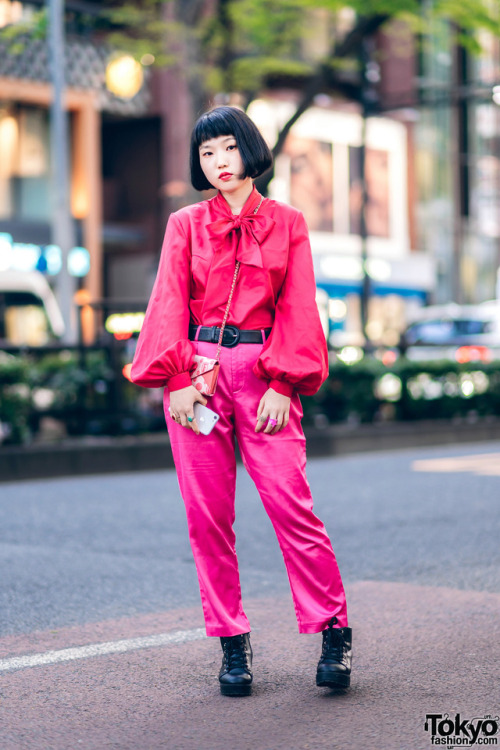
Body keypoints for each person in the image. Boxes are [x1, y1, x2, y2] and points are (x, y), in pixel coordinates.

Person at [130, 105, 352, 696]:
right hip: (197, 375)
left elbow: (300, 307)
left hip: (264, 372)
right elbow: (168, 301)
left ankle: (334, 631)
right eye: (206, 153)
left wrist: (285, 382)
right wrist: (174, 380)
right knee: (208, 518)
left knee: (291, 506)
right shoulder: (186, 224)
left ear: (249, 151)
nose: (218, 162)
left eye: (227, 148)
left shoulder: (288, 223)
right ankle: (232, 644)